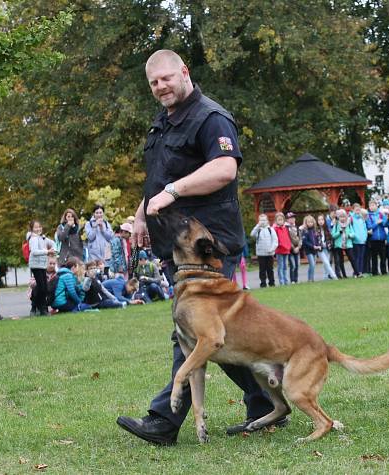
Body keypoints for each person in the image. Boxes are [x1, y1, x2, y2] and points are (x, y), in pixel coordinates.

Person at [116, 50, 281, 446]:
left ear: (184, 73)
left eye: (167, 79)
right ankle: (264, 404)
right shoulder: (165, 121)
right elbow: (159, 178)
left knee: (190, 332)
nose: (160, 87)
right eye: (154, 83)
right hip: (179, 244)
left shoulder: (210, 117)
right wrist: (141, 216)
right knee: (214, 334)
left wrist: (171, 193)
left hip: (211, 245)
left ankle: (163, 420)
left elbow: (224, 169)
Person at [27, 220, 56, 316]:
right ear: (32, 229)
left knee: (44, 287)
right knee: (42, 287)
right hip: (36, 265)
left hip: (42, 265)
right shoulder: (33, 238)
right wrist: (47, 251)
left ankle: (40, 307)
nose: (38, 229)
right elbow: (34, 252)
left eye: (39, 227)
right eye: (35, 227)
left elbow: (52, 242)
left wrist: (53, 249)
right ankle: (37, 307)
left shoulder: (42, 237)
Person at [250, 214, 278, 288]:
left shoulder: (271, 229)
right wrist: (257, 226)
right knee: (262, 269)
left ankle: (272, 283)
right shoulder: (258, 230)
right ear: (259, 221)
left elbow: (275, 240)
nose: (263, 221)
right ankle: (263, 283)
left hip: (269, 253)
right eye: (261, 220)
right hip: (261, 254)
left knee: (270, 269)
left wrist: (272, 249)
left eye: (264, 220)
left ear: (267, 221)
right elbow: (252, 234)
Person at [366, 200, 388, 276]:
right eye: (370, 206)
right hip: (373, 239)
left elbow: (385, 224)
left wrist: (382, 222)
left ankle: (384, 271)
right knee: (374, 256)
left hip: (382, 238)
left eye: (373, 205)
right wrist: (376, 223)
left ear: (376, 206)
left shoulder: (381, 214)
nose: (371, 207)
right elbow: (369, 226)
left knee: (383, 256)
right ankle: (375, 272)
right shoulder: (368, 216)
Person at [348, 204, 368, 277]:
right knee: (356, 257)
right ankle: (356, 272)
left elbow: (365, 229)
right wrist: (355, 237)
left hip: (362, 241)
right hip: (355, 241)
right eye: (356, 209)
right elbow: (350, 229)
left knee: (361, 257)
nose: (357, 211)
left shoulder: (362, 218)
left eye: (359, 209)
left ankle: (360, 271)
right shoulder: (351, 218)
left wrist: (365, 237)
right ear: (353, 210)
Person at [316, 215, 338, 280]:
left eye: (322, 220)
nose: (320, 221)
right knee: (326, 262)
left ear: (324, 221)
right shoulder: (316, 229)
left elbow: (330, 238)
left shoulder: (327, 229)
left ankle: (326, 277)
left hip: (327, 248)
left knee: (327, 263)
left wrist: (329, 244)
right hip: (320, 249)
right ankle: (334, 276)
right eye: (319, 220)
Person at [272, 212, 291, 286]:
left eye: (281, 219)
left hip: (286, 249)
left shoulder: (285, 228)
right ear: (276, 221)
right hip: (279, 250)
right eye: (279, 220)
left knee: (285, 266)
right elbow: (275, 239)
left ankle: (286, 281)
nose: (280, 221)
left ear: (284, 220)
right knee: (280, 266)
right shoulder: (275, 229)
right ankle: (281, 281)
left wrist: (289, 246)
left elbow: (287, 238)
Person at [301, 215, 321, 282]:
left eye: (311, 222)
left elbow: (317, 239)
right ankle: (310, 279)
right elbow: (305, 241)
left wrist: (318, 245)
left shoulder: (314, 230)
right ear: (306, 223)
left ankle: (311, 278)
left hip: (314, 250)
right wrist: (312, 246)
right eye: (308, 222)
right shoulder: (305, 231)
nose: (310, 223)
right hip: (308, 250)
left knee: (313, 265)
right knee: (312, 264)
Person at [329, 209, 348, 279]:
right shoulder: (335, 224)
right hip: (336, 244)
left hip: (342, 244)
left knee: (340, 260)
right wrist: (339, 232)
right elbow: (333, 234)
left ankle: (343, 274)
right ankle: (337, 275)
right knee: (336, 260)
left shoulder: (344, 223)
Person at [286, 212, 301, 284]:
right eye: (290, 218)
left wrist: (298, 247)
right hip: (291, 250)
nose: (292, 219)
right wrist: (293, 248)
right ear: (287, 220)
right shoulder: (287, 228)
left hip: (297, 249)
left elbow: (300, 238)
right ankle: (292, 280)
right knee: (293, 265)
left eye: (293, 218)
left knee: (297, 265)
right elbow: (288, 239)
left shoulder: (297, 228)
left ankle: (296, 279)